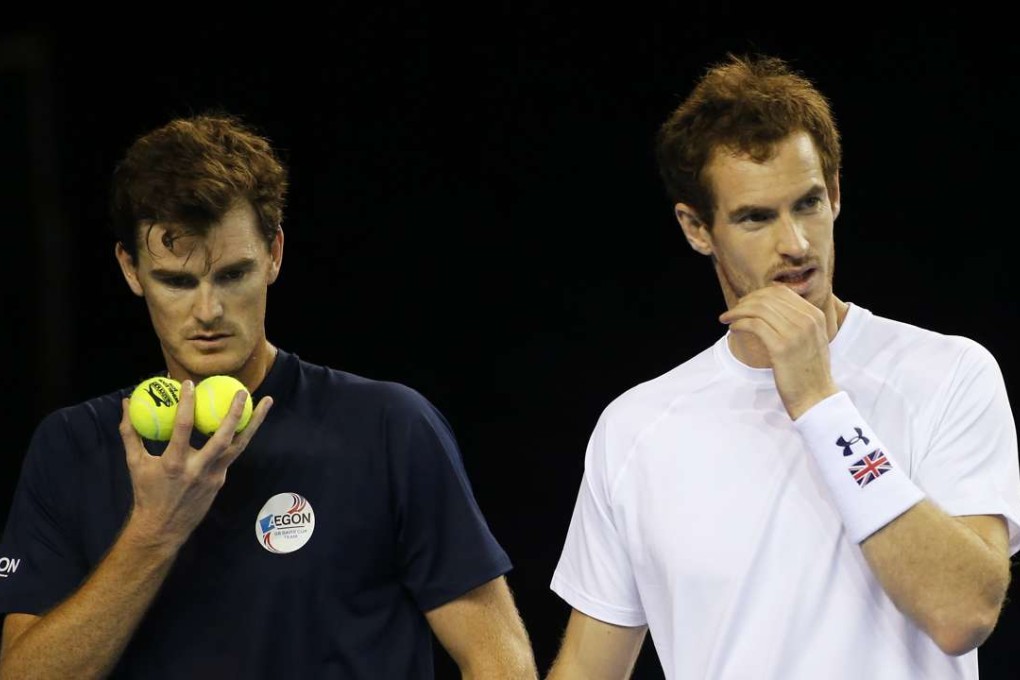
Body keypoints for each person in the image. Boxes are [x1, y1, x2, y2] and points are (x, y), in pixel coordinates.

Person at [0, 112, 538, 679]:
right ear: (130, 270)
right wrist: (154, 533)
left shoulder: (389, 425)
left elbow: (499, 659)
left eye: (233, 275)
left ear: (275, 254)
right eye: (177, 281)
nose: (207, 310)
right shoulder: (70, 446)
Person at [546, 53, 1020, 679]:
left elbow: (962, 614)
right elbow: (587, 668)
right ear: (696, 228)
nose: (795, 243)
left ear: (837, 194)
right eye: (755, 217)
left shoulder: (949, 373)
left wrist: (820, 403)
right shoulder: (635, 427)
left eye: (809, 203)